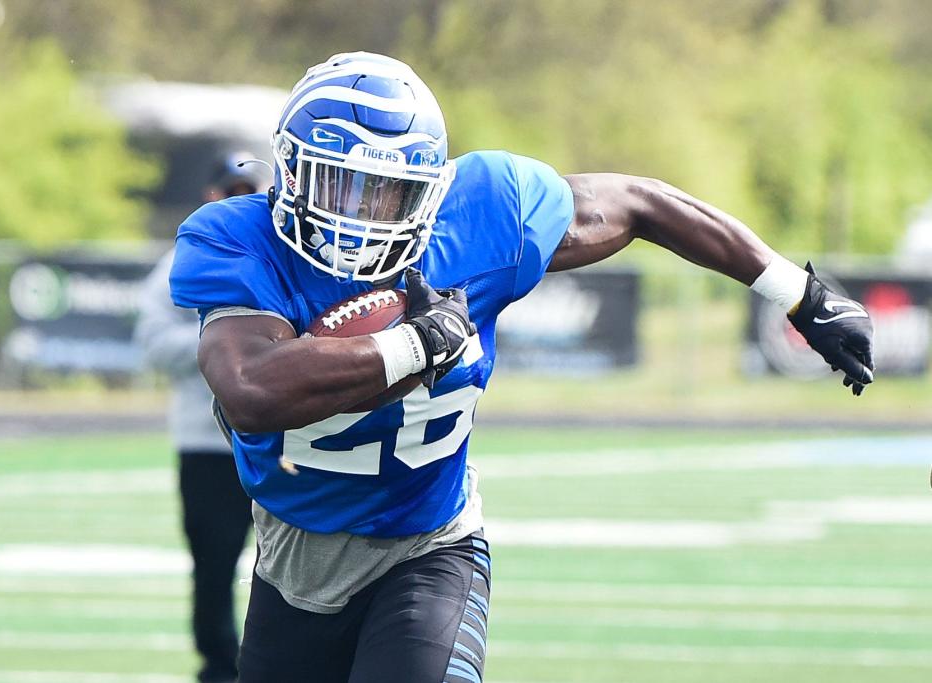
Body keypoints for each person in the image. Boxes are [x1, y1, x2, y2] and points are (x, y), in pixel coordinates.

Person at [168, 53, 875, 683]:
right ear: (289, 171)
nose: (362, 215)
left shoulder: (484, 212)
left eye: (387, 191)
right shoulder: (238, 240)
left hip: (427, 546)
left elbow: (641, 203)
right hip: (293, 561)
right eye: (341, 185)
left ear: (430, 189)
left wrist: (798, 292)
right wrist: (417, 345)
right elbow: (251, 388)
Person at [135, 153, 266, 683]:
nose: (240, 198)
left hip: (274, 436)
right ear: (211, 194)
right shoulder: (179, 261)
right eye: (232, 189)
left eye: (249, 189)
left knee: (287, 560)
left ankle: (272, 661)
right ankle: (216, 664)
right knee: (214, 560)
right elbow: (151, 343)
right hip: (205, 440)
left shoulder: (280, 254)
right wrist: (226, 351)